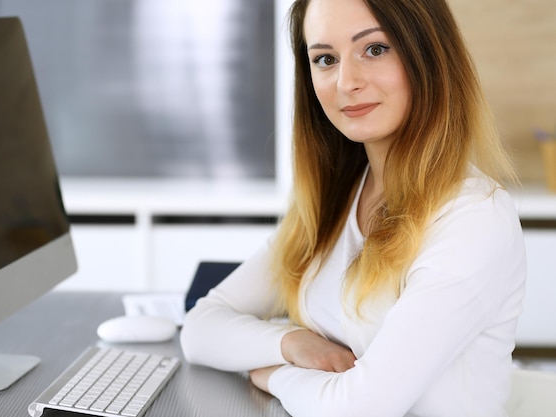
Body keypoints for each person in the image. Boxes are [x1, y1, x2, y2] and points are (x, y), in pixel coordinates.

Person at [180, 0, 527, 415]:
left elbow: (359, 409)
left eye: (375, 49)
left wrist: (270, 372)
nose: (346, 81)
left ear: (429, 56)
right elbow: (200, 328)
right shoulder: (337, 198)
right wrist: (291, 343)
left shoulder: (472, 218)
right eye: (325, 59)